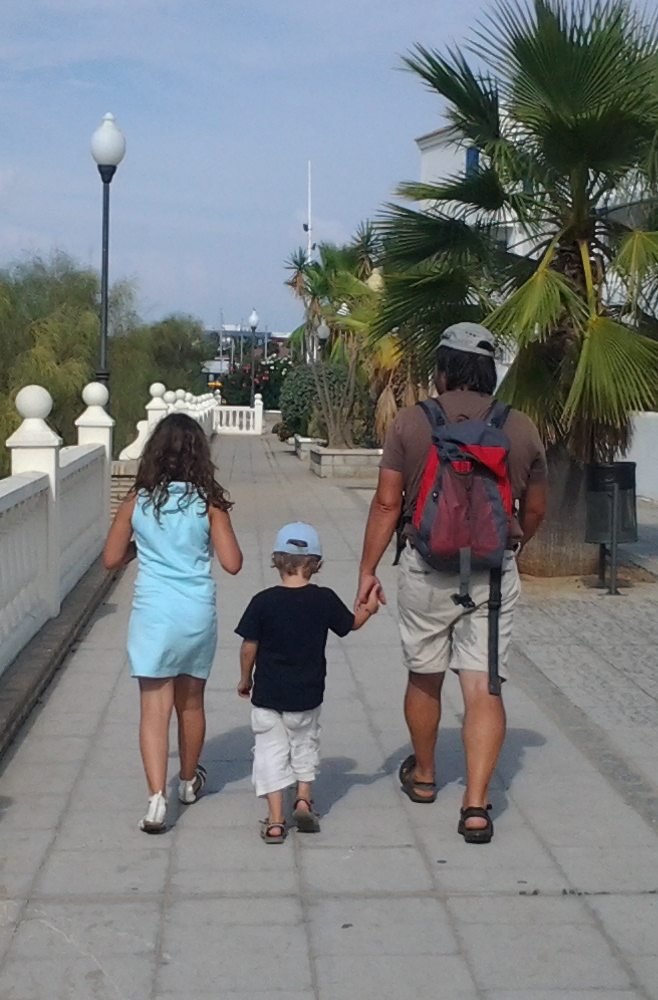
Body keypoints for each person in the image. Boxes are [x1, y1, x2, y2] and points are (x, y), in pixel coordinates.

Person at [355, 322, 548, 842]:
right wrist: (510, 543)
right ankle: (477, 805)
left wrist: (367, 570)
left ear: (441, 369)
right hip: (491, 573)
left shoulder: (411, 423)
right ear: (489, 371)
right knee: (483, 686)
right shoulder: (520, 427)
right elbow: (535, 508)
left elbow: (387, 504)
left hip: (425, 568)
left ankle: (424, 776)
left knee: (425, 674)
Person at [101, 411, 243, 834]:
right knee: (191, 703)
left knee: (154, 709)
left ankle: (156, 800)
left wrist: (140, 548)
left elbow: (110, 559)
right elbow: (233, 563)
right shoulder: (208, 503)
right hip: (195, 613)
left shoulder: (137, 501)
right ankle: (187, 782)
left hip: (153, 614)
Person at [234, 522, 379, 843]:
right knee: (305, 743)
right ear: (316, 563)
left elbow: (249, 647)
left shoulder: (262, 601)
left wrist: (246, 678)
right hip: (308, 693)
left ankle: (275, 820)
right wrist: (369, 609)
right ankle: (302, 798)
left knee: (270, 752)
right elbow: (351, 624)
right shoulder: (324, 599)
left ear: (276, 560)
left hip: (269, 694)